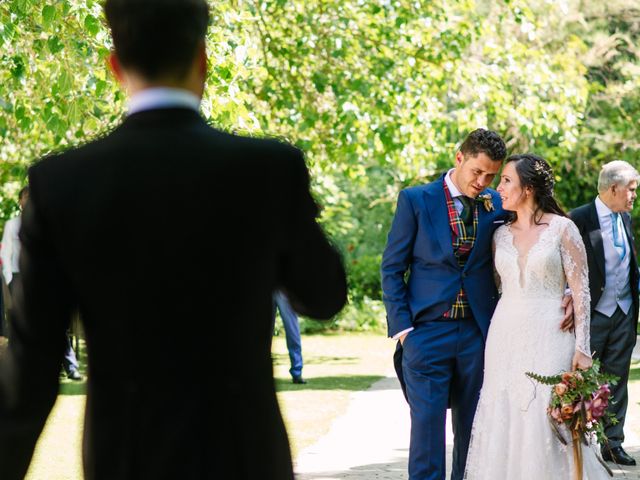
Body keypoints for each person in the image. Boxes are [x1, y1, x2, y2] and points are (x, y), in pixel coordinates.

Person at [0, 0, 347, 479]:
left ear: (115, 66)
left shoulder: (60, 183)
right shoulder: (268, 169)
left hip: (126, 458)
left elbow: (32, 363)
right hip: (244, 456)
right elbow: (324, 295)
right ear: (203, 59)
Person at [464, 154, 608, 479]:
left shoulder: (563, 228)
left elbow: (582, 291)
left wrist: (582, 348)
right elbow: (496, 285)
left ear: (527, 188)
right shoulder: (498, 234)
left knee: (548, 413)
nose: (497, 187)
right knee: (506, 411)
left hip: (550, 333)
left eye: (506, 180)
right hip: (505, 335)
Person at [382, 129, 513, 480]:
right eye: (477, 172)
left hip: (477, 333)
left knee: (473, 432)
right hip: (426, 334)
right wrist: (404, 330)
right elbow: (393, 267)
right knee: (426, 433)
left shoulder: (498, 205)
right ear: (459, 158)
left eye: (491, 176)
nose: (483, 182)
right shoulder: (416, 200)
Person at [570, 160, 639, 466]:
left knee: (618, 379)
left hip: (624, 311)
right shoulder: (579, 219)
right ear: (614, 188)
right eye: (632, 189)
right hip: (594, 313)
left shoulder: (625, 218)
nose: (634, 195)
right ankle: (577, 440)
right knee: (581, 379)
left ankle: (613, 442)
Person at [0, 187, 82, 380]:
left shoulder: (46, 223)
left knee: (54, 321)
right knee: (24, 325)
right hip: (19, 277)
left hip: (44, 278)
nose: (28, 200)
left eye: (31, 197)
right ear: (19, 201)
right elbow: (6, 253)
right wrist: (11, 280)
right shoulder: (12, 225)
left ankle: (71, 367)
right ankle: (28, 370)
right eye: (25, 197)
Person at [273, 291, 306, 384]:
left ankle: (297, 373)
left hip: (282, 288)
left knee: (293, 332)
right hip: (265, 286)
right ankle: (259, 371)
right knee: (263, 333)